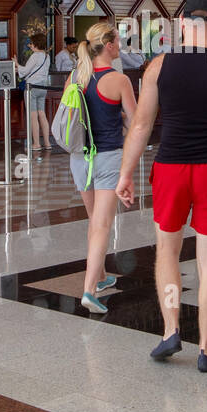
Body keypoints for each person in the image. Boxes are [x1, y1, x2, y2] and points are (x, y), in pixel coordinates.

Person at [116, 0, 207, 372]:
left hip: (169, 168)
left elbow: (141, 126)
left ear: (181, 24)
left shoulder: (159, 66)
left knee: (166, 252)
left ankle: (170, 331)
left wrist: (125, 173)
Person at [70, 22, 137, 313]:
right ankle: (89, 290)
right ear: (108, 45)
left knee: (93, 221)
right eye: (118, 41)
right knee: (102, 225)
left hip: (79, 158)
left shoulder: (76, 76)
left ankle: (99, 276)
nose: (120, 45)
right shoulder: (119, 80)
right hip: (108, 157)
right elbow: (137, 123)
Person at [17, 32, 52, 151]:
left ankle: (36, 144)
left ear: (36, 44)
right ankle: (47, 143)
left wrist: (16, 64)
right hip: (43, 87)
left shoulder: (35, 56)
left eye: (31, 43)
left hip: (32, 87)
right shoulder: (47, 56)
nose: (29, 45)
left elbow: (25, 71)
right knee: (42, 114)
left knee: (33, 116)